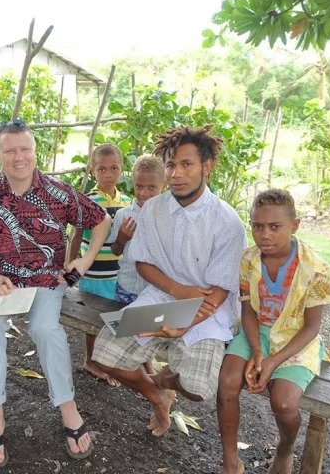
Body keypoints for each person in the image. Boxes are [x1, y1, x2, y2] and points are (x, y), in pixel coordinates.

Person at [0, 120, 111, 469]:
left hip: (46, 281)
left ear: (35, 150)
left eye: (24, 148)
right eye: (10, 150)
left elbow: (101, 219)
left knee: (45, 329)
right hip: (2, 284)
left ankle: (68, 409)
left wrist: (84, 261)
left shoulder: (58, 191)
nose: (18, 157)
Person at [92, 125, 247, 437]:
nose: (176, 173)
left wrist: (183, 325)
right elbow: (143, 263)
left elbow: (215, 296)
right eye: (171, 164)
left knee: (199, 387)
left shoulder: (227, 222)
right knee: (102, 356)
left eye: (186, 164)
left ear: (207, 166)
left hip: (207, 315)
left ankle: (167, 382)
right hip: (159, 301)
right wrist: (178, 290)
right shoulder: (154, 209)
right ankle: (156, 394)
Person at [217, 189, 330, 474]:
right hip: (258, 332)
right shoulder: (248, 260)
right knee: (227, 381)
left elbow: (312, 328)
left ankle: (285, 450)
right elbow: (248, 311)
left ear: (294, 226)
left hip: (296, 339)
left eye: (275, 227)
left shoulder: (316, 270)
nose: (265, 235)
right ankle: (230, 460)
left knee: (284, 403)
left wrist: (273, 362)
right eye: (258, 227)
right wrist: (259, 351)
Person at [68, 143, 131, 386]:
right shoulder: (87, 201)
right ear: (93, 170)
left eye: (114, 168)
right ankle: (91, 360)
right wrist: (69, 273)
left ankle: (111, 360)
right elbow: (75, 236)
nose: (108, 174)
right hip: (94, 273)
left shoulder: (126, 201)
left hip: (118, 273)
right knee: (93, 319)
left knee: (115, 316)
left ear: (121, 170)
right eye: (102, 169)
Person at [109, 154, 166, 304]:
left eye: (152, 187)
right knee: (121, 324)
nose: (144, 193)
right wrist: (121, 240)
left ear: (164, 185)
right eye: (139, 186)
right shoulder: (123, 215)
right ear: (133, 183)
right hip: (126, 286)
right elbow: (115, 251)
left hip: (155, 290)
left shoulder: (168, 218)